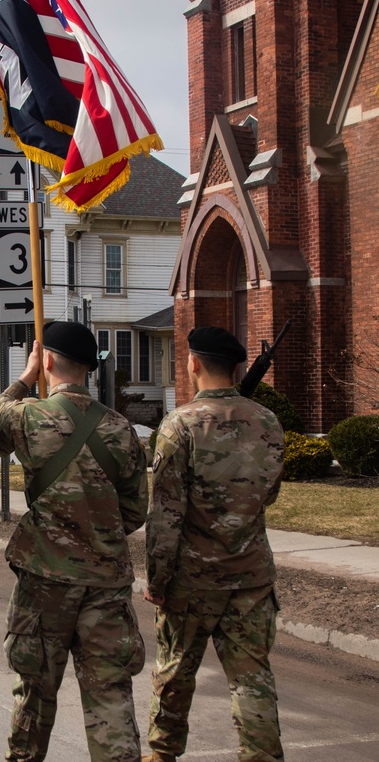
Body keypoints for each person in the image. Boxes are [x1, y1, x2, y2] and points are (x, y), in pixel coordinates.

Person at [0, 321, 148, 762]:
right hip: (106, 583)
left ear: (47, 361)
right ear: (90, 368)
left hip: (45, 581)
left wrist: (25, 378)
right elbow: (135, 512)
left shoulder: (28, 416)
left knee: (34, 695)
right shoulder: (121, 429)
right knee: (111, 696)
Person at [143, 327, 285, 762]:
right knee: (253, 679)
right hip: (251, 576)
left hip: (191, 580)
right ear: (237, 367)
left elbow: (165, 514)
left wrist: (157, 578)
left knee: (175, 675)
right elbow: (270, 493)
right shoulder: (269, 421)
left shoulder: (179, 425)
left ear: (193, 363)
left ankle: (163, 755)